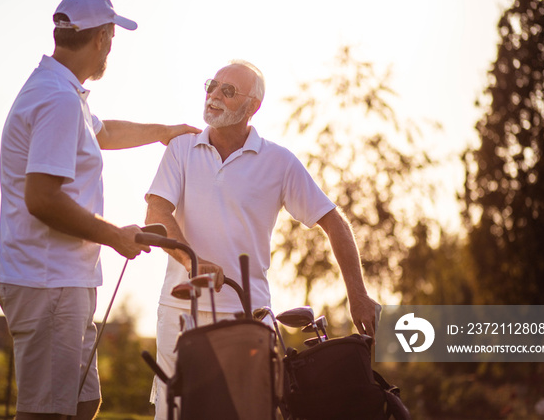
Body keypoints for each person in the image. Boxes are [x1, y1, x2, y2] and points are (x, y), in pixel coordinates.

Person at [0, 0, 200, 420]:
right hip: (47, 280)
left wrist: (165, 131)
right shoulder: (59, 101)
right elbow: (42, 199)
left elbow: (103, 134)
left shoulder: (61, 91)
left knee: (84, 402)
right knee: (47, 413)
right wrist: (115, 236)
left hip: (61, 279)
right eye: (113, 39)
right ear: (104, 38)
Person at [145, 59, 380, 420]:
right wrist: (193, 261)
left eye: (228, 91)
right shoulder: (181, 149)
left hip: (248, 318)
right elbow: (157, 215)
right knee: (176, 413)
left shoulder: (279, 162)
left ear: (252, 107)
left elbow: (334, 222)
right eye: (212, 86)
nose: (213, 96)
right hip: (180, 311)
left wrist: (358, 294)